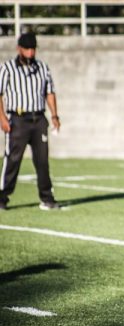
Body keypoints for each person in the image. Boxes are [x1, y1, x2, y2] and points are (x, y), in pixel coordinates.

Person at [0, 32, 61, 211]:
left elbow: (49, 92)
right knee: (13, 159)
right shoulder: (8, 68)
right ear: (19, 49)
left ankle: (47, 197)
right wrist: (2, 117)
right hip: (18, 119)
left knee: (42, 160)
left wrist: (55, 115)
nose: (30, 53)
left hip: (38, 118)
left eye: (33, 49)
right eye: (27, 49)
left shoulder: (42, 68)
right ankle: (2, 197)